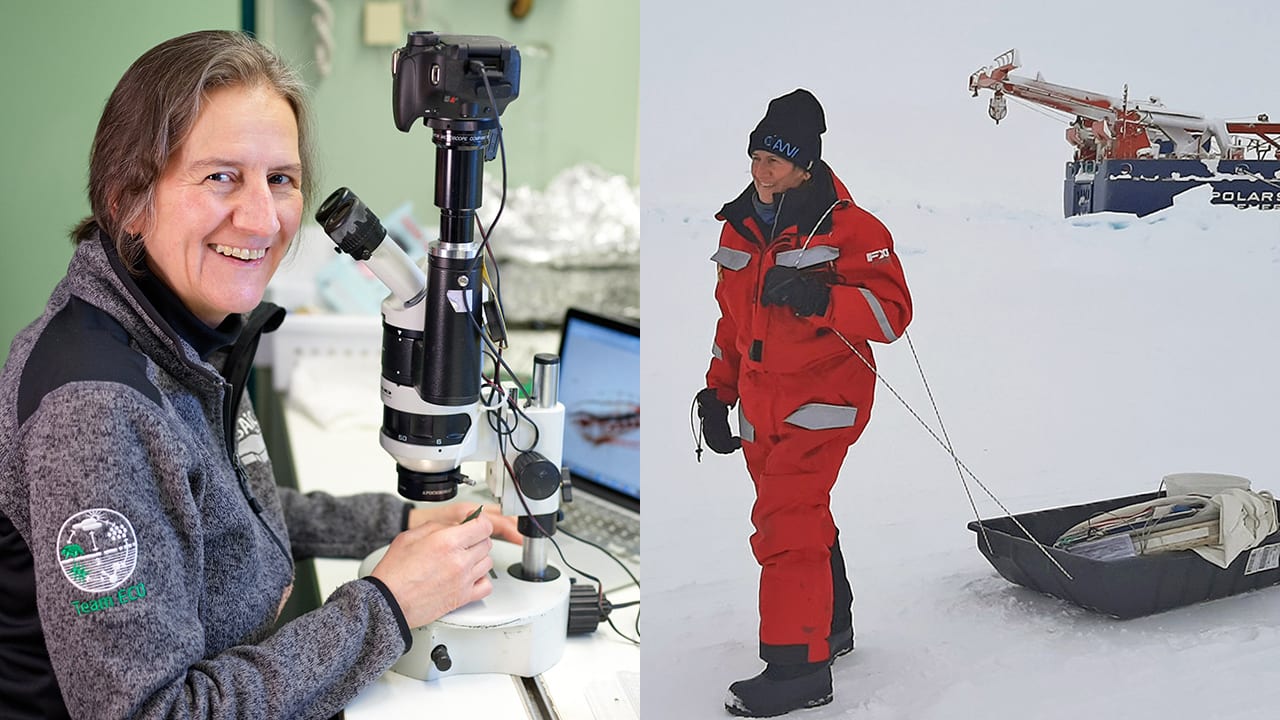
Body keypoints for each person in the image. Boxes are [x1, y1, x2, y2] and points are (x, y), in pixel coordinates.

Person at [0, 30, 520, 719]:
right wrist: (388, 605)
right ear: (128, 199)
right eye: (220, 176)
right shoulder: (97, 412)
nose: (261, 217)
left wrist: (399, 521)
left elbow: (213, 508)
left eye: (281, 179)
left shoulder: (182, 324)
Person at [694, 89, 913, 717]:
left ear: (806, 165)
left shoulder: (852, 228)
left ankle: (799, 670)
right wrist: (718, 390)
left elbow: (892, 315)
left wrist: (822, 300)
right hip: (761, 407)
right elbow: (732, 324)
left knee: (785, 524)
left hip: (823, 401)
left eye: (775, 160)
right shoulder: (741, 224)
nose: (760, 171)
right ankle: (832, 628)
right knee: (802, 516)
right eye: (756, 157)